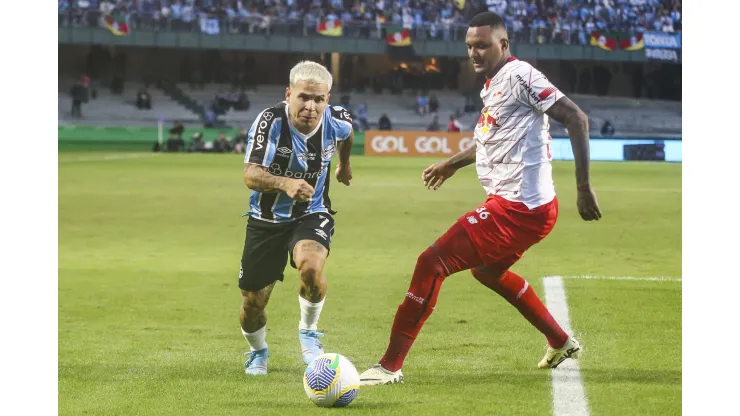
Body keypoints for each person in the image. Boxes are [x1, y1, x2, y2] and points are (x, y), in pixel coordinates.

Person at [359, 12, 602, 386]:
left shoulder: (522, 75)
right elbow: (492, 138)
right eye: (470, 46)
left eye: (482, 45)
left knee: (431, 262)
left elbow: (576, 118)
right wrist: (452, 164)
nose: (474, 52)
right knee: (488, 272)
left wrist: (583, 187)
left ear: (503, 45)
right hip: (523, 206)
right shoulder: (494, 84)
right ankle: (560, 340)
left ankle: (389, 366)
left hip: (518, 208)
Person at [239, 61, 354, 376]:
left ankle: (308, 332)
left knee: (311, 269)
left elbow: (349, 134)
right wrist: (284, 183)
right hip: (265, 219)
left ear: (327, 99)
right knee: (253, 304)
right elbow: (250, 174)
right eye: (304, 97)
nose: (311, 106)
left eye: (319, 99)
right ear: (288, 94)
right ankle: (259, 351)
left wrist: (344, 165)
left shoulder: (336, 120)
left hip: (312, 212)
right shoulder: (269, 122)